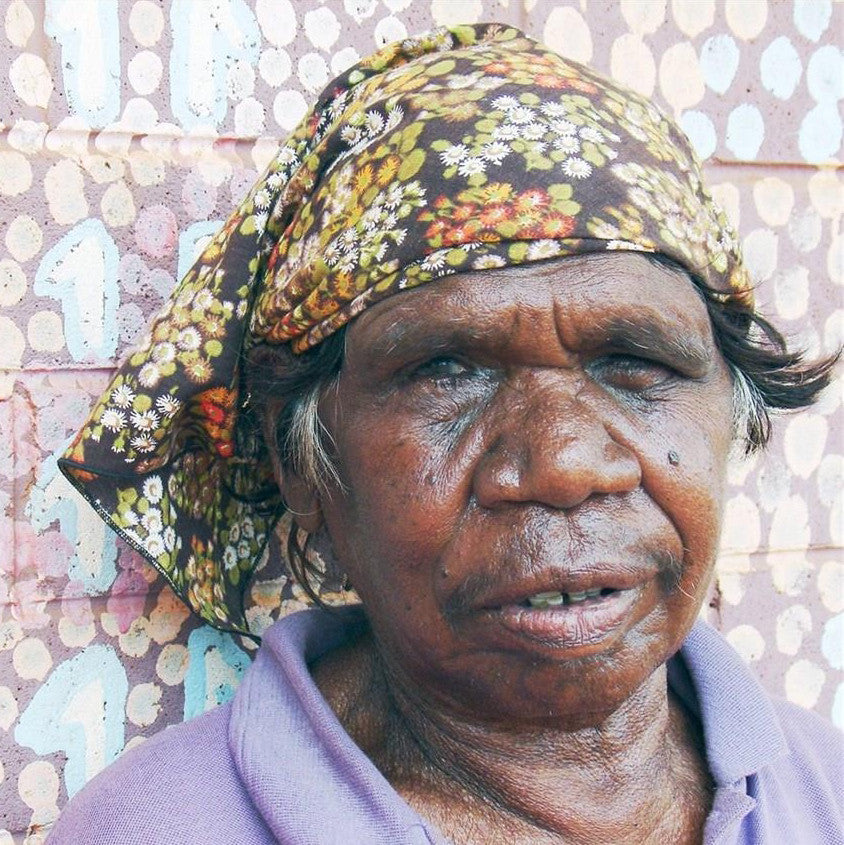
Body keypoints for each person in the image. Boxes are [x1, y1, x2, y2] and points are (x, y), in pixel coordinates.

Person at [48, 23, 840, 845]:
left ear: (729, 414)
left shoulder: (825, 787)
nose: (562, 465)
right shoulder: (156, 829)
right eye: (446, 371)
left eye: (632, 360)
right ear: (305, 466)